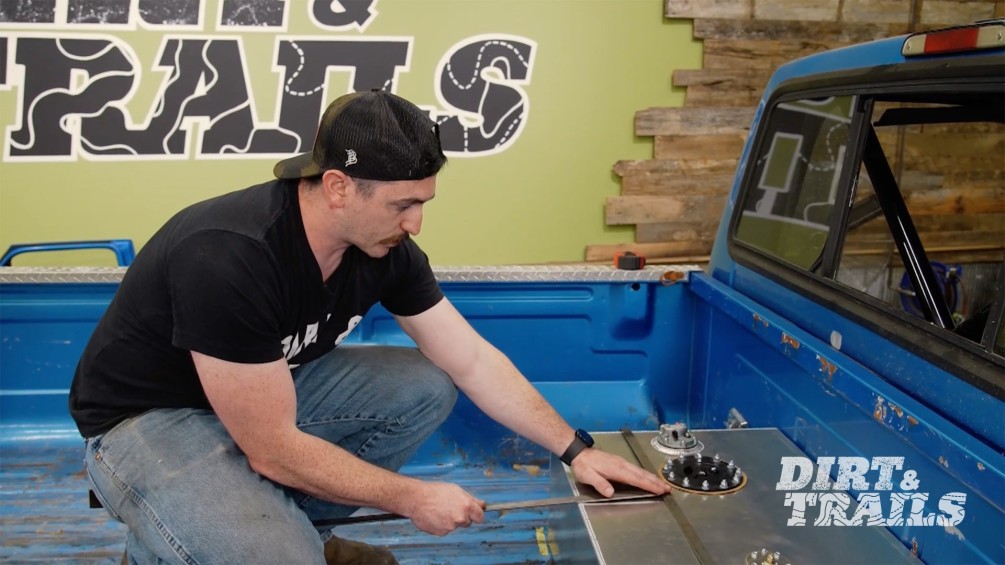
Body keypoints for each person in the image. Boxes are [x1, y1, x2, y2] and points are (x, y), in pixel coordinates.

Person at [69, 89, 670, 564]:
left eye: (423, 203)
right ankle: (180, 538)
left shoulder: (382, 249)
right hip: (148, 420)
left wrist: (576, 451)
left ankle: (290, 531)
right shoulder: (230, 254)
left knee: (425, 386)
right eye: (402, 205)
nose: (416, 224)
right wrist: (413, 498)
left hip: (260, 397)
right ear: (338, 187)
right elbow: (273, 450)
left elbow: (471, 359)